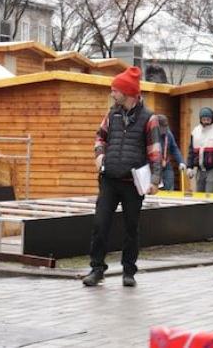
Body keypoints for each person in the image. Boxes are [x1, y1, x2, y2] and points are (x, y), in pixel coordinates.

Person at [83, 66, 162, 288]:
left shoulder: (149, 118)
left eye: (115, 90)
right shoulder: (112, 114)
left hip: (132, 183)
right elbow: (100, 137)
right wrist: (99, 155)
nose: (112, 93)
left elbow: (155, 150)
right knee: (100, 224)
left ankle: (129, 271)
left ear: (127, 92)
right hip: (109, 179)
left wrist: (155, 180)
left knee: (131, 227)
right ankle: (96, 269)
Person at [156, 115, 187, 191]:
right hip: (153, 166)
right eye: (162, 127)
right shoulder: (149, 134)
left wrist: (181, 162)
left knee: (169, 184)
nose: (165, 129)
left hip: (166, 164)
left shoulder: (168, 134)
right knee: (155, 188)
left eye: (166, 126)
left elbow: (174, 148)